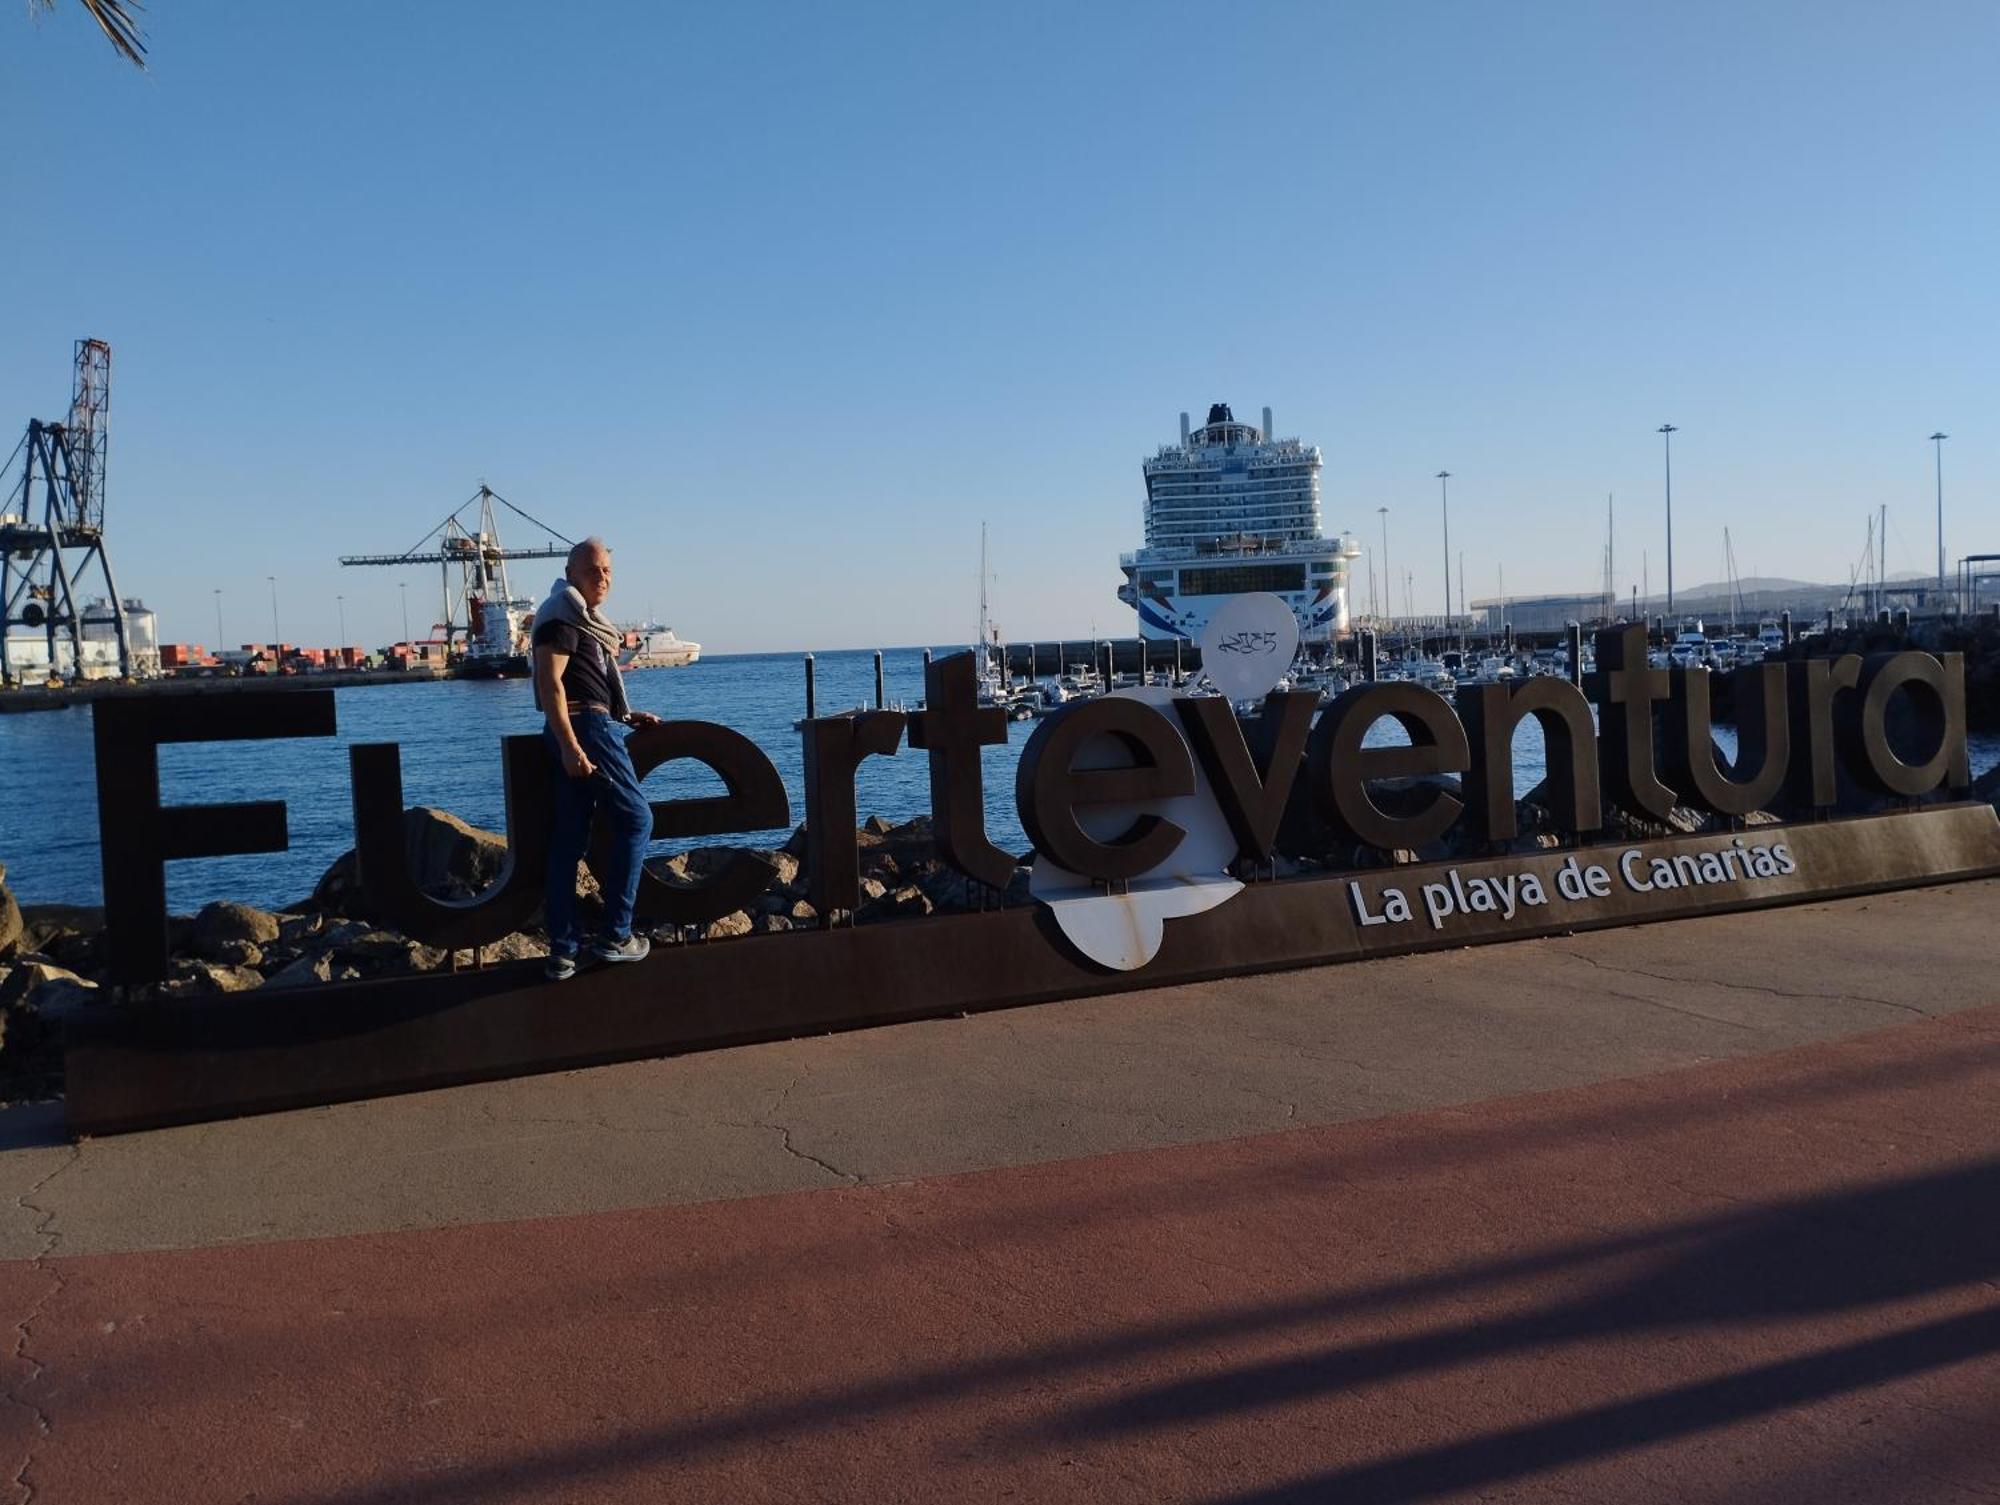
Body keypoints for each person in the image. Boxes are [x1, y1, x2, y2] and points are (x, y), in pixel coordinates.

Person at [531, 538, 663, 980]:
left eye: (607, 570)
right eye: (593, 570)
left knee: (569, 839)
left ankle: (563, 953)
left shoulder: (581, 621)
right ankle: (616, 936)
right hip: (584, 729)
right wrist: (572, 745)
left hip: (589, 725)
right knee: (637, 820)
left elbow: (587, 683)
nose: (602, 578)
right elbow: (552, 685)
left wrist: (625, 716)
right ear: (571, 574)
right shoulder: (563, 614)